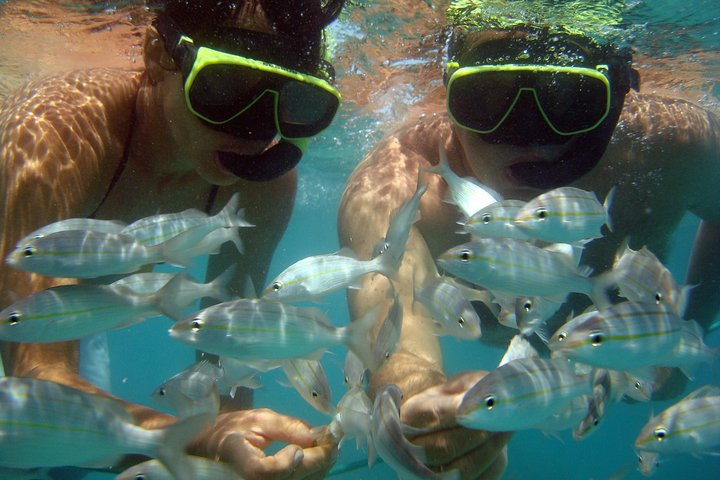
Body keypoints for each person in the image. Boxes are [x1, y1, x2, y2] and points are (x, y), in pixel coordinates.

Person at [338, 1, 720, 479]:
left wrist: (687, 335)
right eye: (487, 98)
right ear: (448, 95)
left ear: (621, 96)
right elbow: (394, 307)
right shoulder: (402, 180)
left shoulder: (674, 145)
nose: (529, 137)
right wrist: (418, 392)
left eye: (571, 100)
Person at [0, 0, 346, 478]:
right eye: (225, 86)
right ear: (156, 55)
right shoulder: (64, 134)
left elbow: (229, 356)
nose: (253, 132)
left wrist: (250, 446)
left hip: (77, 307)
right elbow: (37, 374)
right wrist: (194, 440)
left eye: (290, 102)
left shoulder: (263, 183)